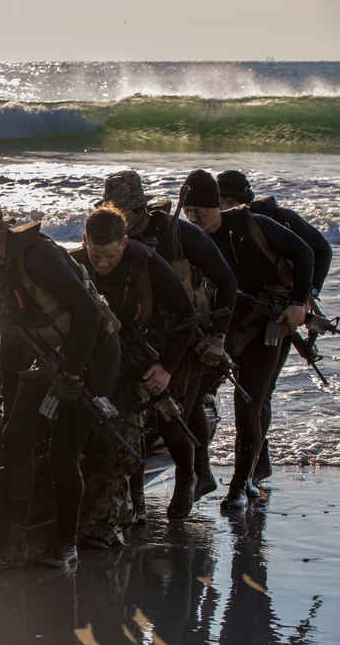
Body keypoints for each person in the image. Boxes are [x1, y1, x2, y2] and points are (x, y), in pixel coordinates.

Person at [0, 195, 120, 569]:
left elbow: (89, 316)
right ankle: (16, 544)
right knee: (16, 436)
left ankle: (65, 544)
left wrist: (72, 375)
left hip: (94, 356)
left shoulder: (40, 257)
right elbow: (11, 339)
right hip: (52, 361)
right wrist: (10, 402)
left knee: (63, 454)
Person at [99, 169, 238, 507]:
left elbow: (227, 282)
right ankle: (136, 498)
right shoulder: (115, 242)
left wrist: (218, 338)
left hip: (185, 337)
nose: (117, 222)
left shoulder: (178, 232)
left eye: (122, 214)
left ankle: (190, 478)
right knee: (132, 415)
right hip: (138, 339)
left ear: (139, 209)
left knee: (172, 414)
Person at [181, 169, 314, 509]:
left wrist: (300, 300)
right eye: (189, 213)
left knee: (250, 403)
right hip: (227, 325)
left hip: (271, 323)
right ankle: (201, 470)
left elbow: (307, 254)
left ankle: (241, 485)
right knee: (191, 392)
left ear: (217, 206)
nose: (195, 219)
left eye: (202, 212)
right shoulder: (189, 236)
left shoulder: (249, 224)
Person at [73, 206, 197, 543]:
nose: (101, 264)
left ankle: (110, 516)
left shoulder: (145, 262)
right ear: (84, 240)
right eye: (95, 255)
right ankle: (125, 505)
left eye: (109, 257)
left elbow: (188, 316)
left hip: (140, 357)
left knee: (117, 434)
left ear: (124, 242)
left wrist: (167, 368)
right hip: (91, 356)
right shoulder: (73, 263)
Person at [217, 170, 333, 485]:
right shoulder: (222, 230)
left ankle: (257, 464)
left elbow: (319, 250)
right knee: (248, 392)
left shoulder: (278, 220)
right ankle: (259, 459)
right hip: (243, 316)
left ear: (244, 201)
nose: (224, 209)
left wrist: (306, 296)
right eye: (220, 202)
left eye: (228, 202)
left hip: (278, 316)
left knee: (260, 393)